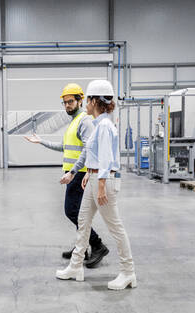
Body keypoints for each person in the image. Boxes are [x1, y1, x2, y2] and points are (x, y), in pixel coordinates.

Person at [55, 80, 137, 290]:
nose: (86, 104)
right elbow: (93, 155)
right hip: (93, 179)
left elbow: (106, 159)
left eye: (88, 100)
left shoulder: (105, 127)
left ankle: (128, 273)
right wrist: (86, 174)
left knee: (115, 227)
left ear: (93, 101)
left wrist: (99, 184)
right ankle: (75, 266)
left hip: (104, 182)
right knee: (83, 221)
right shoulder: (98, 124)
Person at [24, 83, 109, 268]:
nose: (67, 106)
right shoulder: (73, 122)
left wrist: (73, 171)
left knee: (73, 212)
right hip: (73, 173)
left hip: (79, 174)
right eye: (64, 103)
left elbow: (88, 148)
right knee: (78, 213)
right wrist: (41, 141)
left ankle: (96, 244)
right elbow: (64, 147)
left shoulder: (84, 120)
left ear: (80, 101)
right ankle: (82, 246)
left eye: (70, 101)